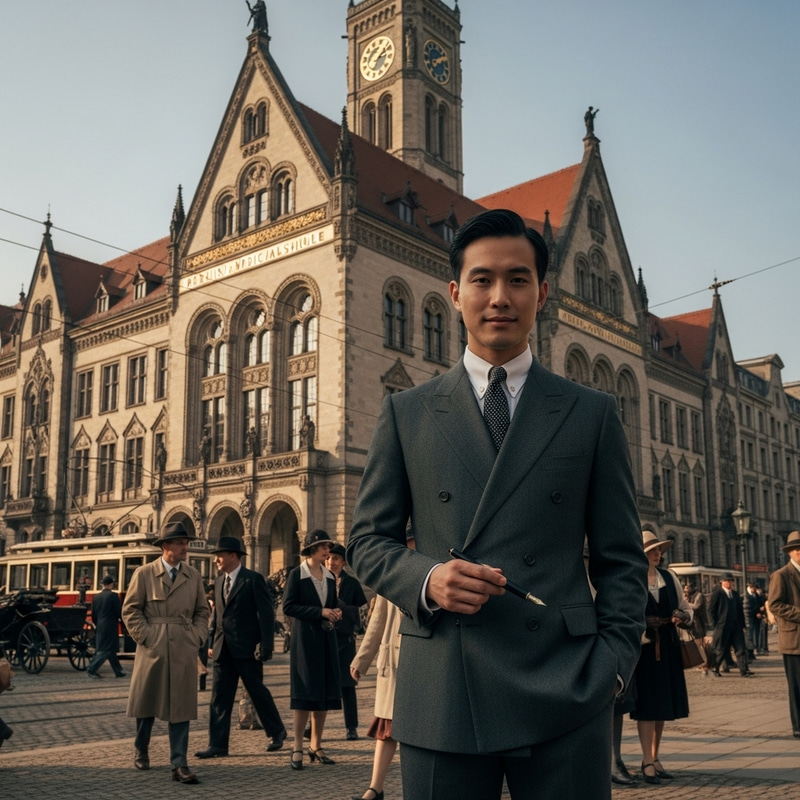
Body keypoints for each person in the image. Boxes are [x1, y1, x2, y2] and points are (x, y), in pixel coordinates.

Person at [347, 208, 648, 800]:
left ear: (543, 293)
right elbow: (366, 542)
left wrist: (612, 667)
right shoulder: (406, 413)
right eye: (482, 280)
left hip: (566, 687)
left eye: (518, 279)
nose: (500, 297)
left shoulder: (591, 413)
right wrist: (427, 578)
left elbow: (622, 559)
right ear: (456, 294)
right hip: (443, 691)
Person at [122, 522, 210, 784]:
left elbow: (202, 612)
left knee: (181, 706)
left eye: (186, 543)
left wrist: (196, 637)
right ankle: (141, 748)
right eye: (180, 543)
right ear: (165, 546)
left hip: (183, 646)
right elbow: (130, 610)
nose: (185, 548)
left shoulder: (193, 575)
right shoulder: (144, 573)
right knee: (146, 703)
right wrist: (148, 637)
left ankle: (179, 763)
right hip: (153, 647)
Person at [194, 536, 286, 760]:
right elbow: (217, 617)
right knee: (219, 698)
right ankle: (217, 745)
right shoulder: (218, 582)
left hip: (247, 649)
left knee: (257, 692)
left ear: (233, 556)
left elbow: (266, 614)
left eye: (220, 556)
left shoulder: (252, 579)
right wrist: (211, 643)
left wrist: (266, 645)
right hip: (222, 649)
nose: (216, 560)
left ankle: (277, 732)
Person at [350, 532, 416, 800]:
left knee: (419, 730)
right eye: (407, 545)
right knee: (387, 730)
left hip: (424, 664)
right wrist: (361, 660)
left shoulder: (437, 574)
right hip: (393, 662)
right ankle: (374, 788)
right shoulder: (391, 576)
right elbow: (377, 622)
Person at [630, 531, 692, 785]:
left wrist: (681, 615)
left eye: (659, 550)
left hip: (667, 646)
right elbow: (625, 614)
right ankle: (646, 759)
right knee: (647, 707)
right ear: (642, 554)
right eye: (653, 550)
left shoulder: (669, 577)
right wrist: (643, 623)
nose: (658, 554)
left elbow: (686, 608)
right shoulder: (632, 580)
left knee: (662, 705)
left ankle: (655, 757)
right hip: (644, 650)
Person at [283, 530, 342, 771]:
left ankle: (316, 745)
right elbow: (289, 606)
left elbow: (331, 605)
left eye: (328, 546)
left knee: (324, 693)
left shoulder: (329, 576)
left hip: (326, 639)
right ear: (311, 549)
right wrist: (319, 612)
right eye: (323, 546)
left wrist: (335, 612)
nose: (327, 550)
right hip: (305, 641)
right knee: (304, 693)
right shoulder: (297, 574)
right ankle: (297, 745)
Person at [326, 543, 367, 741]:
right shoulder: (319, 581)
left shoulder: (351, 583)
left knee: (347, 686)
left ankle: (351, 727)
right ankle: (312, 726)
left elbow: (360, 611)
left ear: (343, 562)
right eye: (328, 558)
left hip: (345, 640)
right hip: (324, 639)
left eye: (335, 559)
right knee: (321, 685)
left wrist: (343, 608)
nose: (331, 562)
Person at [767, 530, 800, 738]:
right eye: (797, 550)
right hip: (794, 639)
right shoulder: (781, 575)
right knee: (796, 686)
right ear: (790, 553)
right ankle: (798, 726)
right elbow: (775, 605)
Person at [708, 573, 753, 678]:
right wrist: (715, 624)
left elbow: (740, 611)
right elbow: (710, 610)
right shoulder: (717, 594)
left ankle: (744, 670)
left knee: (740, 648)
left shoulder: (735, 594)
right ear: (722, 582)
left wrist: (743, 626)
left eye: (730, 581)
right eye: (726, 580)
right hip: (723, 627)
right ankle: (715, 669)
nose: (729, 583)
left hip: (736, 626)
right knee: (721, 649)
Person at [86, 574, 125, 679]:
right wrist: (123, 622)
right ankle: (92, 668)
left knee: (109, 649)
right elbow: (118, 612)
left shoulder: (96, 597)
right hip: (110, 625)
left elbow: (94, 614)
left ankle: (118, 671)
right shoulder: (113, 596)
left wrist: (97, 623)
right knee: (107, 649)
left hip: (100, 624)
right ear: (111, 584)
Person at [684, 582, 710, 674]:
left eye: (687, 588)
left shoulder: (699, 596)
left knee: (700, 644)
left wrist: (685, 603)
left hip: (698, 622)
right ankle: (701, 663)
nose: (686, 591)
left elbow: (696, 606)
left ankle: (705, 664)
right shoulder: (689, 596)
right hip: (691, 622)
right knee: (695, 643)